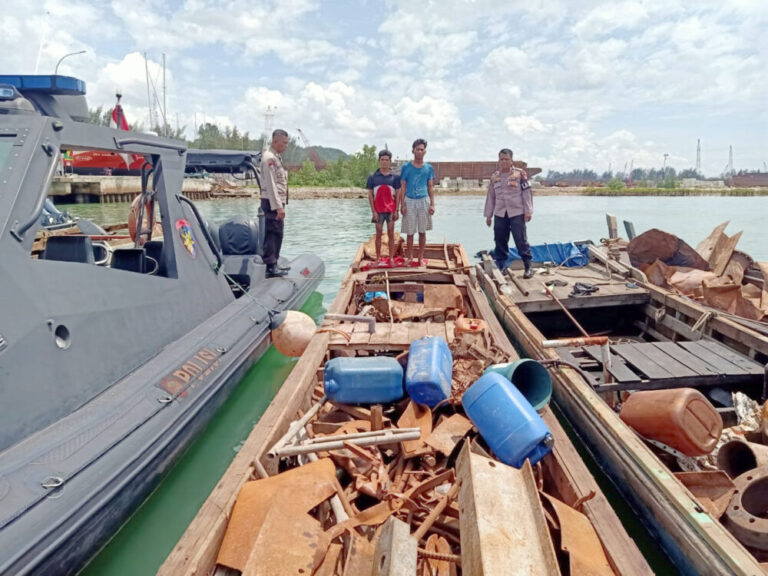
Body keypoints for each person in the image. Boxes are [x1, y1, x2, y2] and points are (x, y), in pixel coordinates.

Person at [484, 148, 534, 278]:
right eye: (501, 159)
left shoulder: (520, 174)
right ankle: (502, 266)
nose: (504, 162)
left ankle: (528, 266)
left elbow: (526, 193)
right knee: (500, 240)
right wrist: (488, 215)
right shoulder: (495, 177)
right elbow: (491, 197)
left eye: (507, 159)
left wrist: (528, 211)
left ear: (512, 160)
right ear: (498, 161)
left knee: (520, 239)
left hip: (517, 212)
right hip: (500, 213)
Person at [260, 129, 290, 278]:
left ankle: (274, 263)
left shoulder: (276, 157)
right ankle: (270, 266)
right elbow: (271, 185)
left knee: (278, 232)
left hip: (276, 201)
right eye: (284, 143)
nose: (286, 146)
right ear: (275, 141)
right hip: (272, 202)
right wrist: (278, 206)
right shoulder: (269, 158)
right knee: (273, 232)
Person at [399, 138, 435, 266]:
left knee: (422, 231)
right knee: (410, 232)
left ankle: (420, 257)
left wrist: (432, 204)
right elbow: (403, 186)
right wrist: (402, 204)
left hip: (423, 200)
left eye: (422, 149)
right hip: (409, 200)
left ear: (425, 151)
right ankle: (409, 257)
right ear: (413, 151)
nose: (420, 151)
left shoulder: (429, 168)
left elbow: (430, 186)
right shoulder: (406, 167)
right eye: (417, 149)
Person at [367, 149, 400, 264]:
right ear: (379, 161)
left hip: (391, 210)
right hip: (378, 211)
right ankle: (377, 258)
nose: (384, 162)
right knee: (379, 234)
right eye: (382, 160)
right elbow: (370, 195)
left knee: (391, 233)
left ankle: (390, 258)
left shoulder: (395, 177)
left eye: (387, 160)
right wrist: (373, 212)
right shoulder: (372, 177)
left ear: (390, 161)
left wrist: (397, 210)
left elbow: (398, 194)